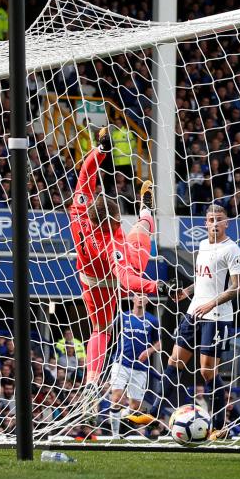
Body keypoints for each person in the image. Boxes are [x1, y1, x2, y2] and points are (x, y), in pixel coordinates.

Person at [70, 128, 164, 393]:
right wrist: (154, 286)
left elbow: (85, 177)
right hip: (117, 276)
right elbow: (127, 279)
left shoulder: (79, 214)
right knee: (143, 231)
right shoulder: (115, 242)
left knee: (99, 330)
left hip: (89, 283)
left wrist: (101, 151)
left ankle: (91, 381)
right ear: (113, 221)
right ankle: (146, 208)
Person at [167, 204, 240, 438]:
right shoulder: (202, 245)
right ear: (205, 223)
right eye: (211, 219)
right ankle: (152, 412)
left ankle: (220, 426)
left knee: (206, 371)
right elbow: (203, 280)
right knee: (174, 362)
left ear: (226, 222)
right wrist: (187, 292)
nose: (214, 223)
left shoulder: (232, 250)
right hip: (194, 311)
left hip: (217, 316)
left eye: (219, 219)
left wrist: (211, 303)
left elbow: (238, 286)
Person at [107, 294, 160, 436]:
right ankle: (115, 435)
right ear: (132, 299)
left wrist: (149, 351)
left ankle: (122, 414)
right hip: (121, 363)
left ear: (148, 300)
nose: (141, 298)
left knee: (135, 407)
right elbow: (109, 332)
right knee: (116, 398)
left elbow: (159, 343)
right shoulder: (122, 317)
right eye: (138, 296)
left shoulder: (152, 320)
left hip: (140, 367)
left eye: (144, 296)